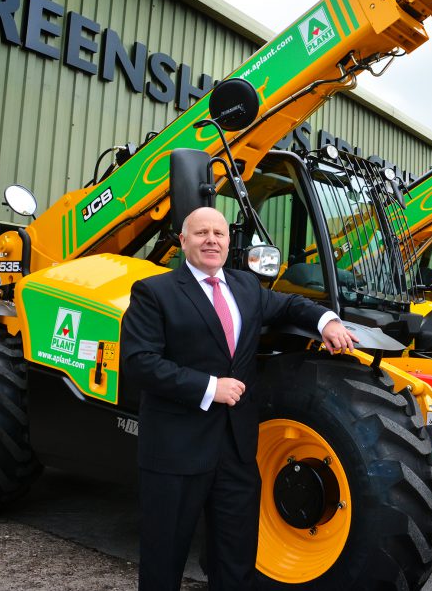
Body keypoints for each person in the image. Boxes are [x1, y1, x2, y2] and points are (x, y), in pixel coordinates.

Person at [120, 206, 357, 590]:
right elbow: (139, 362)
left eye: (219, 233)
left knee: (236, 558)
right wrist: (211, 388)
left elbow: (290, 305)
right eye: (201, 233)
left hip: (236, 452)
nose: (211, 240)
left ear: (230, 242)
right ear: (183, 241)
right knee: (164, 560)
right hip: (175, 450)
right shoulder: (155, 292)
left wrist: (326, 320)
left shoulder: (245, 287)